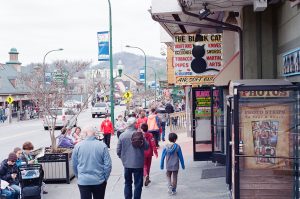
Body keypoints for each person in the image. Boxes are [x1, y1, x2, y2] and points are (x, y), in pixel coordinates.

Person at [72, 125, 112, 199]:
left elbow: (74, 165)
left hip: (83, 181)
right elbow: (108, 165)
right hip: (99, 180)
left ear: (85, 134)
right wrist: (104, 178)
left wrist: (79, 177)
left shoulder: (78, 146)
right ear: (94, 134)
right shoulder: (102, 145)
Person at [117, 117, 149, 199]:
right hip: (138, 163)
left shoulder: (122, 135)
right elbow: (146, 147)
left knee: (127, 183)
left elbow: (118, 151)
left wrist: (123, 159)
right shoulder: (140, 134)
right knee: (138, 184)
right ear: (135, 124)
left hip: (127, 164)